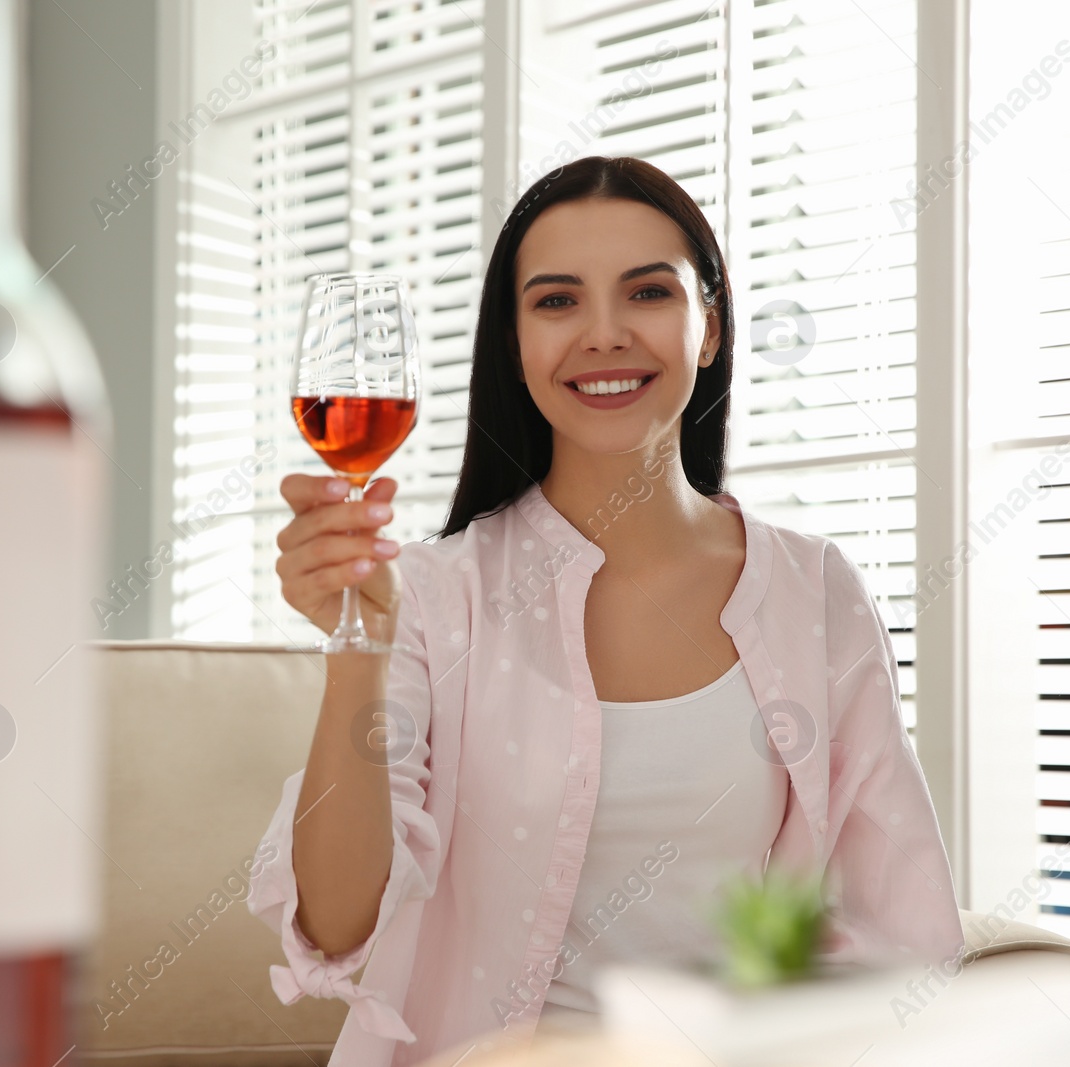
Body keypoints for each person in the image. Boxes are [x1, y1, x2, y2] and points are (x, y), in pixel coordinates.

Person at [247, 156, 964, 1067]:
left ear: (710, 327)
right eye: (555, 302)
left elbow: (895, 934)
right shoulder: (432, 592)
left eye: (648, 292)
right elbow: (339, 924)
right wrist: (359, 648)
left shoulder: (815, 589)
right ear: (513, 344)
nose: (604, 333)